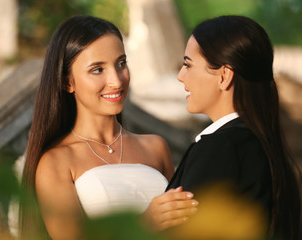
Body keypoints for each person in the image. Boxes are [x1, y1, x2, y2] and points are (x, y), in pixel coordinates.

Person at [19, 15, 197, 240]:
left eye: (121, 63)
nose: (116, 80)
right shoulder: (56, 162)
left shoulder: (156, 147)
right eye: (97, 69)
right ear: (67, 82)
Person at [166, 15, 301, 239]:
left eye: (188, 64)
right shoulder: (259, 141)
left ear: (224, 76)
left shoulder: (221, 148)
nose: (181, 76)